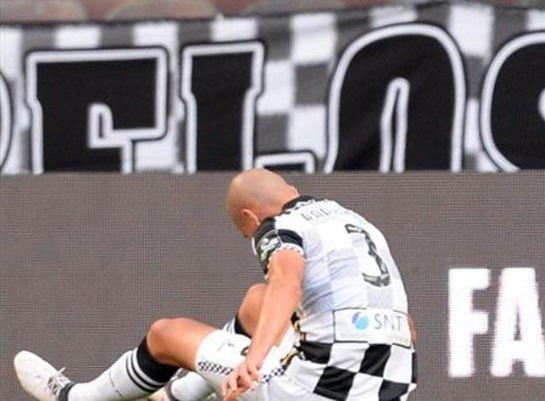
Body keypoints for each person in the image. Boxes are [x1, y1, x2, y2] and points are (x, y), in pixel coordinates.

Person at [14, 169, 416, 401]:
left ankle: (75, 399)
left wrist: (253, 360)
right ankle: (177, 397)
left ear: (250, 218)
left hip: (318, 391)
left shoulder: (277, 226)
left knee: (166, 335)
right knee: (256, 302)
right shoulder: (355, 222)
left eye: (246, 235)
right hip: (391, 386)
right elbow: (407, 326)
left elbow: (285, 282)